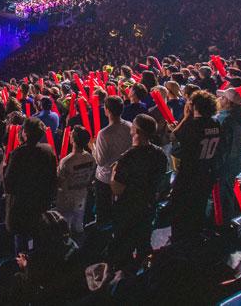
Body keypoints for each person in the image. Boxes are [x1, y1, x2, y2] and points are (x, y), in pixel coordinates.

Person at [109, 114, 167, 270]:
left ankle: (124, 274)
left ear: (137, 131)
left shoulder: (128, 158)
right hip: (148, 205)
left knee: (123, 245)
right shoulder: (160, 154)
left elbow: (117, 189)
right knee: (144, 242)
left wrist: (113, 173)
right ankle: (146, 272)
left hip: (128, 209)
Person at [169, 90, 222, 242]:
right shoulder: (216, 123)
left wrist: (186, 118)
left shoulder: (192, 124)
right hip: (206, 171)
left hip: (189, 172)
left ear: (193, 106)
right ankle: (195, 237)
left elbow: (174, 137)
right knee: (199, 206)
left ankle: (180, 240)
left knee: (180, 207)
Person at [4, 118, 57, 253]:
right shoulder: (48, 150)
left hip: (21, 206)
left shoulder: (18, 153)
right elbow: (53, 178)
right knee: (39, 237)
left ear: (25, 133)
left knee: (21, 242)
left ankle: (23, 264)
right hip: (41, 203)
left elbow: (8, 183)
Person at [212, 88, 241, 221]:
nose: (219, 99)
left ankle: (220, 222)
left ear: (228, 102)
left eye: (223, 98)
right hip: (238, 159)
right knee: (229, 189)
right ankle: (227, 218)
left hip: (223, 161)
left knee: (219, 194)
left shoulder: (224, 119)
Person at [93, 96, 132, 224]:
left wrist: (92, 147)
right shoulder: (130, 126)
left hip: (106, 177)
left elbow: (100, 161)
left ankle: (103, 228)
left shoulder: (104, 133)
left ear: (107, 110)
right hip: (125, 173)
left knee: (104, 210)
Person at [55, 126, 96, 233]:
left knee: (65, 228)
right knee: (78, 226)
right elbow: (91, 177)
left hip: (66, 199)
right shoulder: (90, 158)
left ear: (73, 140)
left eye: (71, 134)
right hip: (81, 197)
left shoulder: (66, 161)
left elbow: (59, 181)